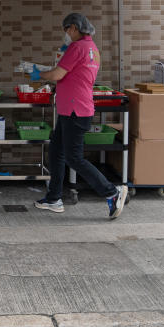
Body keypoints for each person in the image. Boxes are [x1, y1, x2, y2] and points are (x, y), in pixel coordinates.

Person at [32, 13, 128, 219]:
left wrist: (37, 74)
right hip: (74, 109)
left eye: (66, 30)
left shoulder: (77, 48)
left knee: (74, 158)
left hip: (75, 111)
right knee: (57, 152)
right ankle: (54, 198)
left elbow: (58, 74)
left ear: (74, 28)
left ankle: (112, 191)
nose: (66, 34)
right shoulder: (92, 48)